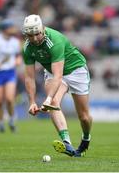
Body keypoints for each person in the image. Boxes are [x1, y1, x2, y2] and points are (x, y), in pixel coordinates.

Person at [22, 14, 92, 157]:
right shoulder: (27, 48)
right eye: (30, 35)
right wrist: (32, 102)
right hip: (53, 73)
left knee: (84, 117)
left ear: (42, 29)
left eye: (37, 34)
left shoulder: (55, 41)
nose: (34, 39)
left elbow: (59, 75)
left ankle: (86, 138)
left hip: (75, 70)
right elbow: (29, 77)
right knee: (54, 102)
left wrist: (47, 99)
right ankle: (67, 143)